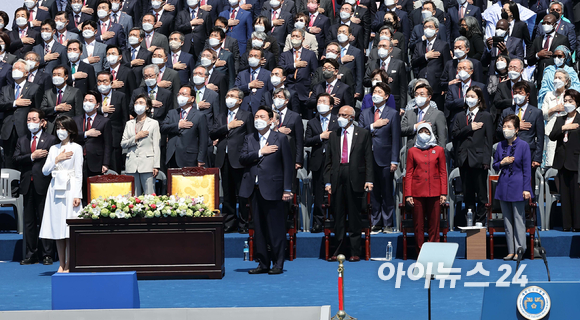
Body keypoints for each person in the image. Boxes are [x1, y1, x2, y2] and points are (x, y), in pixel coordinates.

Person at [240, 106, 293, 274]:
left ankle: (278, 263)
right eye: (256, 116)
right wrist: (260, 152)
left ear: (271, 120)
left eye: (262, 116)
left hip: (274, 188)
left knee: (276, 227)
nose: (258, 119)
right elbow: (242, 158)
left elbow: (288, 166)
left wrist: (287, 189)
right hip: (254, 189)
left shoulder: (281, 138)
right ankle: (263, 263)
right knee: (259, 228)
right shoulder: (249, 138)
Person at [325, 105, 373, 261]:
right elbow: (329, 161)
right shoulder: (333, 135)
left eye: (344, 115)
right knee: (338, 216)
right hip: (337, 177)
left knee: (354, 216)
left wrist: (369, 179)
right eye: (339, 114)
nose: (340, 117)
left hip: (355, 178)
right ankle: (338, 250)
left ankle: (354, 251)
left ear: (351, 117)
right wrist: (327, 182)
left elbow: (368, 159)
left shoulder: (363, 134)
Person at [38, 115, 84, 273]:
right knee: (58, 227)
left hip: (70, 189)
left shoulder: (76, 148)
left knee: (68, 228)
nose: (60, 131)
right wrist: (56, 159)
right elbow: (44, 171)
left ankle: (70, 263)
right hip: (55, 188)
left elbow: (78, 173)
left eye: (63, 128)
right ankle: (61, 263)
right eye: (58, 128)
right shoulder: (53, 148)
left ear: (70, 131)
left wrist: (78, 195)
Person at [14, 109, 59, 265]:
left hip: (44, 184)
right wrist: (32, 156)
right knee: (29, 221)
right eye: (28, 119)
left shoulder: (51, 139)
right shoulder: (22, 139)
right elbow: (16, 159)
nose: (30, 122)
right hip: (27, 184)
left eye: (34, 119)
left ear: (42, 122)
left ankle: (47, 254)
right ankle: (31, 253)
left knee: (45, 218)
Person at [210, 88, 254, 233]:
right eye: (227, 95)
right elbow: (213, 133)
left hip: (240, 159)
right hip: (224, 158)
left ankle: (243, 223)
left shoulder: (246, 115)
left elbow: (250, 137)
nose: (229, 98)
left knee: (241, 193)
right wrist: (228, 127)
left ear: (240, 100)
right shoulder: (222, 116)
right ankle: (229, 222)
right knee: (227, 194)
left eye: (232, 96)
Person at [452, 86, 494, 225]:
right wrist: (470, 127)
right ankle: (469, 220)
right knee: (467, 193)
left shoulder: (486, 116)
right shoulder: (459, 116)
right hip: (464, 159)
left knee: (481, 194)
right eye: (467, 96)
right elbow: (455, 134)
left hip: (479, 159)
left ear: (479, 99)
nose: (469, 99)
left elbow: (489, 139)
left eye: (473, 96)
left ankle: (481, 221)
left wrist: (486, 160)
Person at [493, 114, 532, 260]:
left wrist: (526, 189)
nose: (505, 129)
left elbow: (527, 169)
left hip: (518, 186)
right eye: (504, 126)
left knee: (518, 219)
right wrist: (503, 162)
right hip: (503, 186)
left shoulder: (524, 146)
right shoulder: (500, 145)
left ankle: (520, 249)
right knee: (507, 220)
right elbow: (495, 165)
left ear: (516, 129)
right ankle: (511, 250)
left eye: (509, 127)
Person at [404, 123, 447, 251]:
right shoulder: (412, 151)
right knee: (419, 224)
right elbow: (409, 173)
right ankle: (420, 251)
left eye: (427, 132)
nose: (424, 134)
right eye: (421, 131)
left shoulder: (439, 150)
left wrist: (443, 193)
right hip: (417, 192)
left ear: (431, 134)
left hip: (435, 191)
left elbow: (443, 172)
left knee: (435, 224)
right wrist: (408, 194)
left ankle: (433, 251)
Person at [0, 59, 43, 169]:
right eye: (14, 68)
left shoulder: (34, 88)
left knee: (24, 157)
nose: (15, 70)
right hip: (8, 130)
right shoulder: (5, 88)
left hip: (25, 128)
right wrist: (14, 103)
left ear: (26, 73)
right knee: (8, 158)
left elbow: (38, 108)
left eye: (19, 68)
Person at [305, 93, 338, 232]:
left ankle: (336, 220)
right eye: (319, 101)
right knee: (318, 194)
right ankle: (318, 222)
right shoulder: (312, 122)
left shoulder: (338, 120)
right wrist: (320, 136)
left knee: (336, 191)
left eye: (323, 101)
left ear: (331, 106)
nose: (320, 104)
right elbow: (306, 141)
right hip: (318, 161)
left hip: (334, 161)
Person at [549, 89, 580, 231]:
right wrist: (564, 127)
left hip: (576, 162)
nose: (567, 104)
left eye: (571, 101)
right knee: (565, 195)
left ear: (577, 103)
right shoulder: (560, 119)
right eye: (565, 101)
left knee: (576, 195)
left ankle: (577, 224)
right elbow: (552, 135)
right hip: (562, 161)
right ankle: (566, 225)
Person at [120, 94, 160, 195]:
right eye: (136, 103)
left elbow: (156, 145)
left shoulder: (154, 123)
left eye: (141, 103)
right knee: (133, 195)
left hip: (147, 163)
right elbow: (123, 143)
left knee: (149, 194)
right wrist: (136, 137)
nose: (138, 105)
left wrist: (156, 165)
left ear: (147, 107)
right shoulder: (129, 124)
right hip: (132, 163)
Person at [161, 84, 208, 168]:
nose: (180, 96)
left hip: (190, 157)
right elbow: (163, 128)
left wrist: (201, 159)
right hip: (172, 155)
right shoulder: (172, 113)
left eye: (184, 94)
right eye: (179, 94)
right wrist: (178, 125)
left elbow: (203, 139)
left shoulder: (199, 115)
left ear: (192, 98)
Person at [401, 83, 447, 149]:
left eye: (422, 94)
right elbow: (401, 130)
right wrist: (415, 127)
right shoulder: (410, 113)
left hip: (430, 154)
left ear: (429, 97)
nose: (418, 97)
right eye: (416, 94)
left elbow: (442, 139)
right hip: (412, 153)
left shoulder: (437, 114)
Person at [542, 69, 569, 168]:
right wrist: (554, 109)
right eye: (555, 78)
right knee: (551, 161)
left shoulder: (570, 95)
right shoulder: (549, 95)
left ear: (566, 81)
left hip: (566, 130)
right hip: (551, 130)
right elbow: (543, 114)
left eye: (560, 78)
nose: (557, 80)